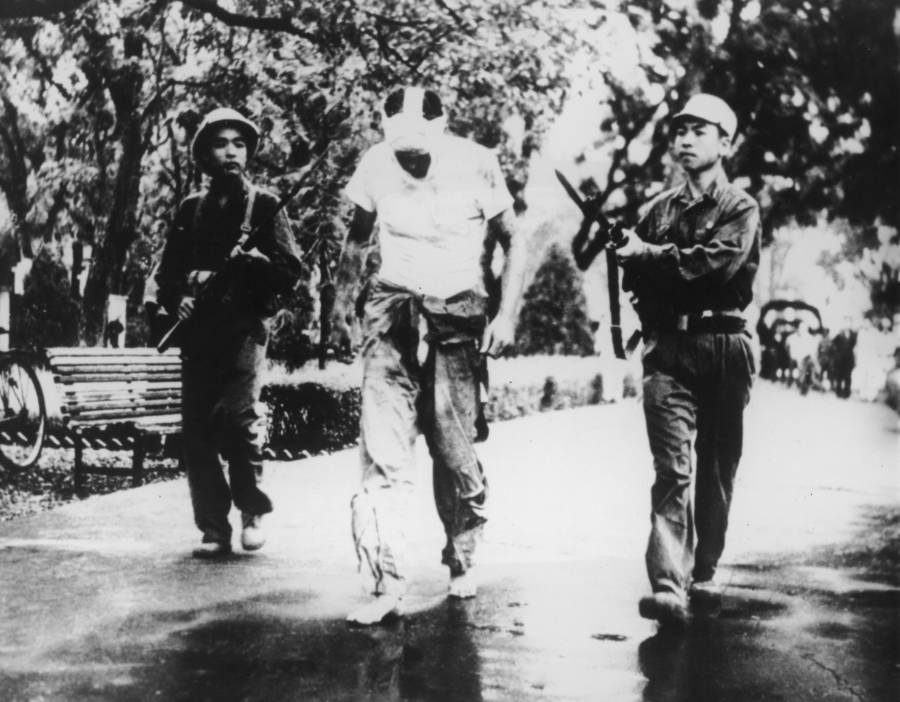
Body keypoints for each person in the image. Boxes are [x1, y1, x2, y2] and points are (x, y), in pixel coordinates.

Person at [333, 86, 527, 625]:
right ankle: (386, 581)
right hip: (392, 315)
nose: (410, 163)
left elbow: (514, 240)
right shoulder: (375, 163)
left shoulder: (477, 163)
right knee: (384, 449)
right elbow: (357, 239)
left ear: (441, 131)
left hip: (456, 316)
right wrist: (341, 306)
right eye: (402, 154)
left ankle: (461, 555)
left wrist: (506, 315)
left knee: (453, 449)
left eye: (418, 154)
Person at [614, 93, 761, 625]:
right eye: (680, 130)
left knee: (716, 469)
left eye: (700, 131)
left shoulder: (740, 208)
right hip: (668, 349)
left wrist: (649, 256)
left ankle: (704, 570)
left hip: (724, 346)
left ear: (726, 143)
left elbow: (714, 267)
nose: (686, 139)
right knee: (671, 469)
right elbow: (636, 276)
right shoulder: (657, 211)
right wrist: (630, 253)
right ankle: (667, 585)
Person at [156, 107, 303, 558]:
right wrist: (177, 297)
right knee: (197, 432)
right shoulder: (190, 209)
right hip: (199, 334)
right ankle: (213, 528)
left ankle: (251, 512)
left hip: (245, 330)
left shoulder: (265, 205)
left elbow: (290, 271)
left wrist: (257, 263)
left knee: (240, 422)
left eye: (239, 144)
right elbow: (167, 275)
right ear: (204, 155)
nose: (231, 152)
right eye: (220, 144)